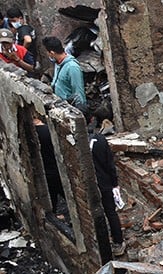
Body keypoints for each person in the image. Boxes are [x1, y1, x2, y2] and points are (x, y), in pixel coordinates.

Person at [88, 117, 125, 257]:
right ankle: (118, 242)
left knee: (94, 213)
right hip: (104, 183)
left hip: (89, 185)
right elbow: (110, 165)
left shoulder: (76, 141)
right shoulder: (101, 141)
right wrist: (115, 183)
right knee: (110, 212)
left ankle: (99, 243)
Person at [43, 36, 86, 109]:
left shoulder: (72, 67)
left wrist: (81, 109)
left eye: (47, 52)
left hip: (68, 107)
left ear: (52, 53)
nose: (47, 54)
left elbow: (79, 91)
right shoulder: (58, 63)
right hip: (59, 104)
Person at [34, 117, 64, 209]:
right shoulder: (49, 131)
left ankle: (54, 214)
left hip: (44, 170)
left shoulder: (30, 134)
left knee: (51, 196)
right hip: (57, 168)